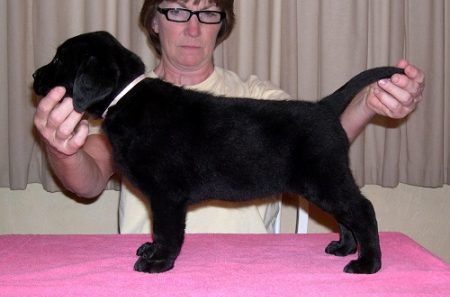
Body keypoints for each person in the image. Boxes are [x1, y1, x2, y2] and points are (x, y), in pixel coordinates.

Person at [34, 0, 425, 234]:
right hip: (150, 277)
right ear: (153, 19)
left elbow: (317, 138)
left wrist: (367, 103)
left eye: (208, 12)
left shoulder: (255, 95)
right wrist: (64, 149)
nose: (191, 26)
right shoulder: (124, 103)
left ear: (222, 25)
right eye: (177, 9)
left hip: (251, 272)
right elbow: (89, 180)